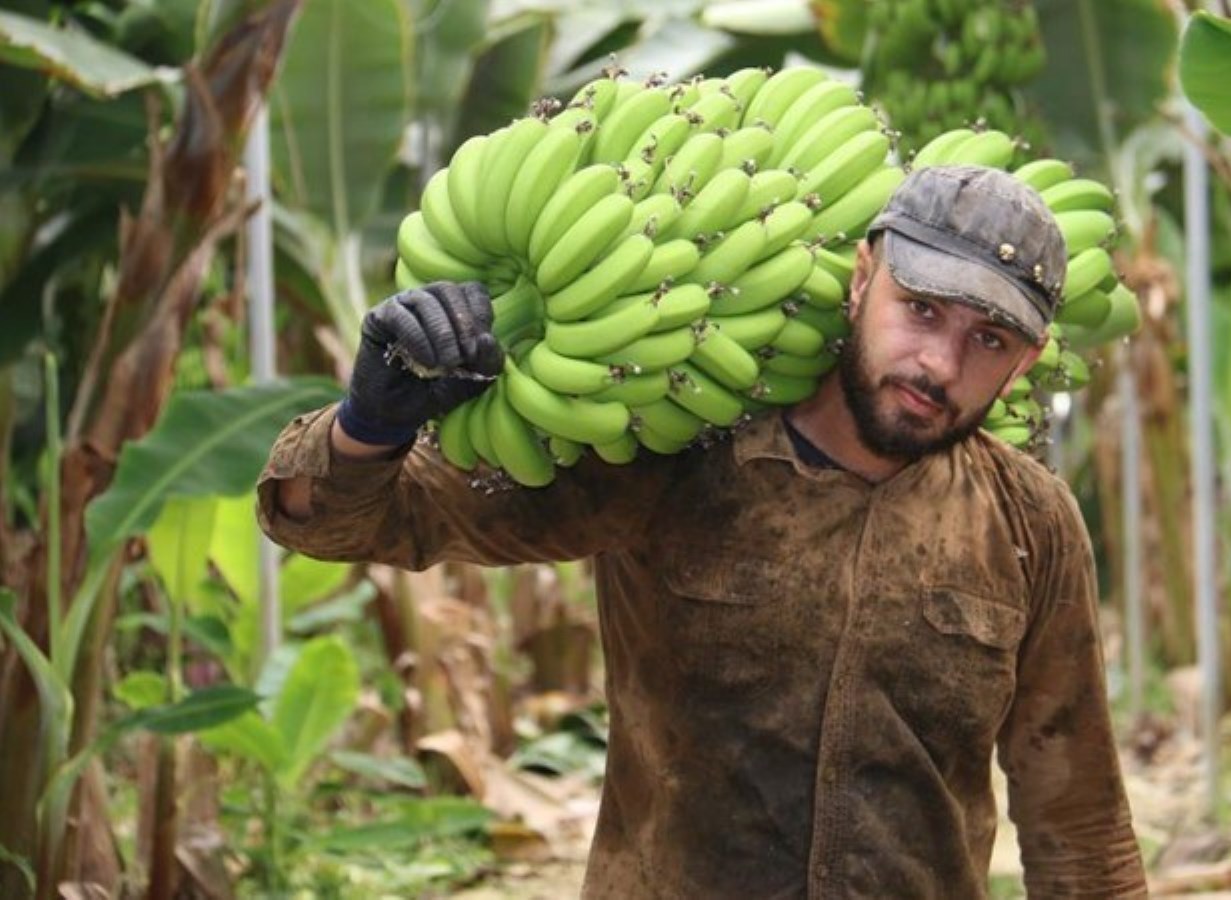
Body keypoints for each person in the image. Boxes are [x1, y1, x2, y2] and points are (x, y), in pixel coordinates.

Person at [258, 165, 1147, 898]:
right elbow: (363, 521)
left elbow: (1077, 818)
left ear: (1027, 360)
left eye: (989, 339)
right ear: (862, 278)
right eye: (921, 310)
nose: (940, 364)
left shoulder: (1029, 523)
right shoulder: (671, 448)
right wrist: (369, 424)